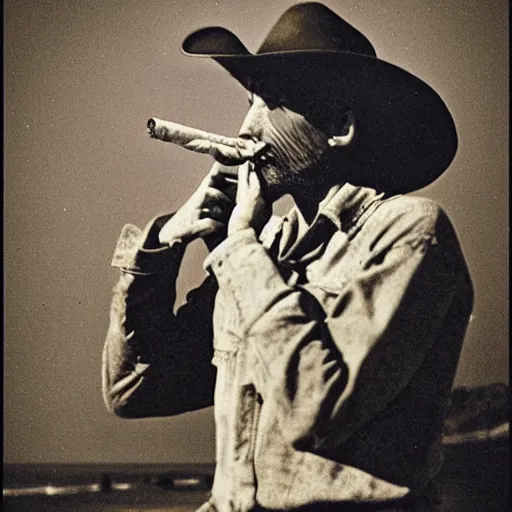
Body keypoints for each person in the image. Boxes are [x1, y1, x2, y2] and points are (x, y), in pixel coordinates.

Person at [102, 3, 473, 511]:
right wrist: (164, 242)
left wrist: (238, 250)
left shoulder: (408, 232)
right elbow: (133, 390)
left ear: (340, 125)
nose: (247, 128)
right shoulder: (263, 247)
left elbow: (319, 410)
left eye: (270, 103)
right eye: (249, 102)